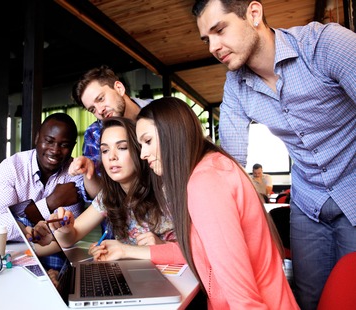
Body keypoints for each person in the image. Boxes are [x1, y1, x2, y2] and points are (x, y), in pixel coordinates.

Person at [192, 1, 356, 308]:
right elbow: (228, 162)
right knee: (309, 299)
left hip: (354, 187)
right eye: (206, 39)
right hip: (309, 204)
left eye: (220, 30)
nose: (213, 46)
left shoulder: (325, 45)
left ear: (254, 14)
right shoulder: (236, 87)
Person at [131, 97, 298, 309]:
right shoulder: (212, 167)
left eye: (147, 141)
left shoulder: (205, 182)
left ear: (172, 133)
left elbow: (244, 300)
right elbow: (197, 252)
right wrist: (125, 251)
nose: (143, 154)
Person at [34, 117, 176, 255]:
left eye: (122, 147)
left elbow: (196, 250)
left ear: (140, 150)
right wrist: (65, 230)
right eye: (105, 150)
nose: (111, 157)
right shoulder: (109, 195)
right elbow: (70, 237)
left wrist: (162, 247)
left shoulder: (169, 190)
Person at [0, 113, 90, 249]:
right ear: (37, 138)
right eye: (49, 141)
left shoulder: (75, 174)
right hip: (10, 251)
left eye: (64, 145)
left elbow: (66, 233)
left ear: (73, 147)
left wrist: (16, 224)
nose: (55, 150)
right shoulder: (11, 167)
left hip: (55, 254)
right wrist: (50, 203)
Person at [71, 65, 152, 171]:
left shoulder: (160, 111)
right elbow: (100, 182)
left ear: (119, 88)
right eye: (92, 109)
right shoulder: (94, 134)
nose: (100, 111)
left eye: (100, 99)